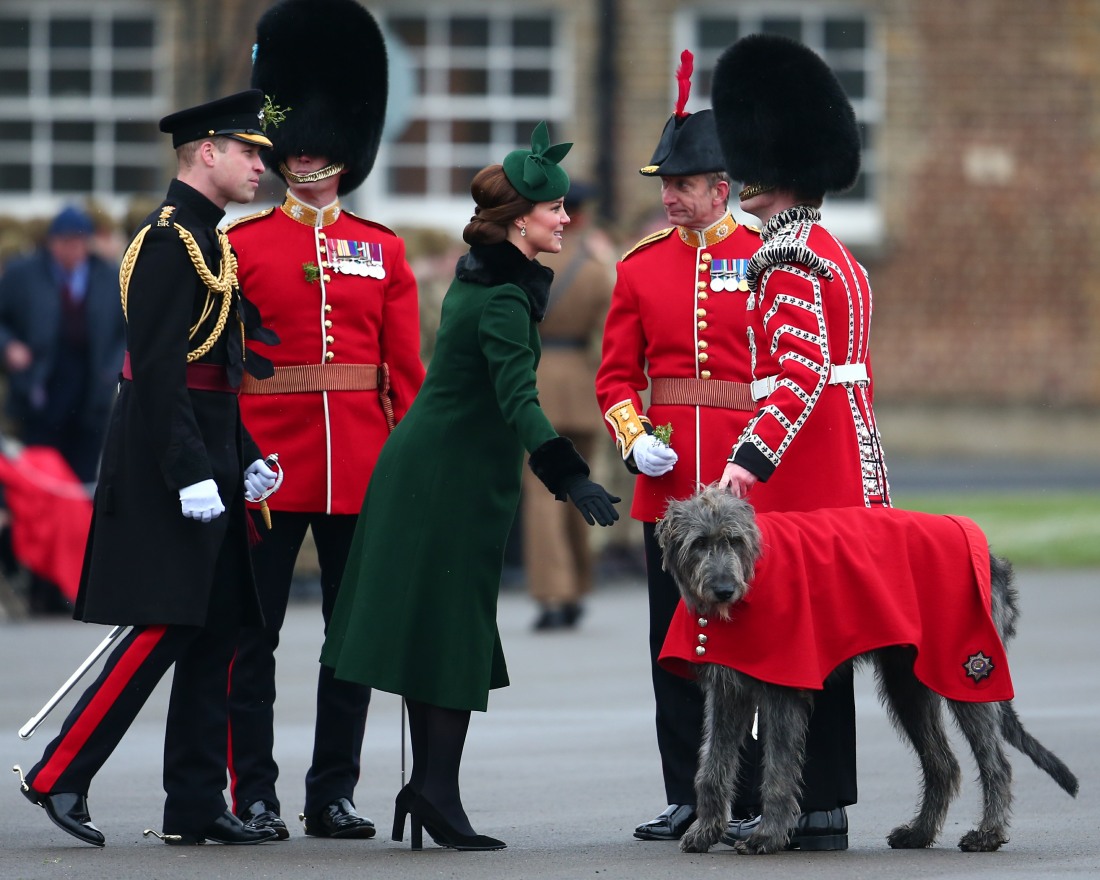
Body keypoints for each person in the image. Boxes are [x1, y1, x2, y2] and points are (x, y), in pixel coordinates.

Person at [320, 122, 620, 852]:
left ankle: (431, 788)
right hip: (442, 481)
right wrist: (569, 475)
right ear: (521, 222)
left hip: (439, 470)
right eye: (553, 211)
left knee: (440, 633)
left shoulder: (481, 274)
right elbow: (519, 398)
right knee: (451, 634)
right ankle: (436, 794)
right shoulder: (504, 299)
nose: (565, 220)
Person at [13, 89, 282, 848]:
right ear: (207, 153)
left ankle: (194, 802)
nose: (261, 165)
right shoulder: (168, 242)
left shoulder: (210, 239)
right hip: (171, 456)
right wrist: (191, 472)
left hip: (208, 449)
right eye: (248, 152)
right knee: (161, 624)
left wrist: (247, 460)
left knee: (216, 629)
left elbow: (218, 370)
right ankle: (60, 770)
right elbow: (159, 373)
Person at [223, 0, 423, 842]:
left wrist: (413, 476)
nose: (305, 157)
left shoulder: (385, 249)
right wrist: (229, 458)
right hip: (267, 466)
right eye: (294, 145)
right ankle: (255, 793)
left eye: (319, 144)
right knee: (251, 639)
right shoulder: (241, 246)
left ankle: (331, 792)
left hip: (364, 470)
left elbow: (406, 379)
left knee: (353, 643)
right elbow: (220, 368)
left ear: (346, 148)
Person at [711, 34, 892, 851]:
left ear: (763, 169)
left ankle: (812, 805)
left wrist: (745, 466)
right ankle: (820, 803)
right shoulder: (835, 252)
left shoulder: (783, 258)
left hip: (804, 473)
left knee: (792, 646)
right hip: (847, 462)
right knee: (827, 647)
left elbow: (798, 375)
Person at [594, 51, 763, 842]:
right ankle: (688, 793)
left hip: (746, 481)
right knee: (674, 641)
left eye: (682, 185)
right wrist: (635, 443)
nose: (668, 197)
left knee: (757, 641)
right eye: (664, 186)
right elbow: (615, 378)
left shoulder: (765, 257)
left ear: (720, 187)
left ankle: (757, 790)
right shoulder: (640, 267)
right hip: (670, 487)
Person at [521, 181, 615, 630]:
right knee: (582, 486)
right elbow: (606, 337)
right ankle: (578, 586)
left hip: (537, 381)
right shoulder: (598, 266)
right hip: (583, 385)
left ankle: (553, 592)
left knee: (543, 495)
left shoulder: (533, 257)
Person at [0, 204, 125, 486]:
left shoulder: (108, 277)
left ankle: (77, 531)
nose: (73, 249)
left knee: (82, 484)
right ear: (51, 242)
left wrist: (111, 371)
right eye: (66, 241)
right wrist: (9, 346)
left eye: (79, 241)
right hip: (39, 395)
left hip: (90, 396)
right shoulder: (23, 275)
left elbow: (124, 333)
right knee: (40, 481)